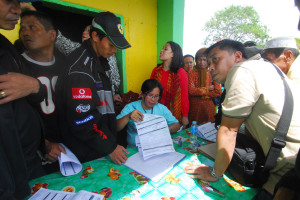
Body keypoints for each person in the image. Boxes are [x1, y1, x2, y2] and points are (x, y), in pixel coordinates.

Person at [184, 39, 300, 199]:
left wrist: (214, 173)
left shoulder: (241, 70)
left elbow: (229, 130)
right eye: (208, 62)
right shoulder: (269, 68)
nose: (210, 67)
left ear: (237, 56)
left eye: (215, 59)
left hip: (284, 173)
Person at [55, 11, 131, 165]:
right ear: (95, 36)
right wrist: (109, 146)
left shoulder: (98, 60)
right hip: (87, 151)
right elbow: (83, 119)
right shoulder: (80, 70)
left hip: (99, 145)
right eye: (110, 44)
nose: (114, 50)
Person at [0, 0, 45, 198]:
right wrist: (14, 190)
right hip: (11, 178)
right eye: (10, 1)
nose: (16, 10)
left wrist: (35, 86)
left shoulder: (5, 45)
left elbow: (32, 96)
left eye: (20, 2)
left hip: (30, 160)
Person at [19, 10, 66, 162]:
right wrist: (44, 144)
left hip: (68, 150)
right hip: (34, 154)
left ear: (52, 35)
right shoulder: (16, 66)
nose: (25, 33)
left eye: (32, 27)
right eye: (22, 28)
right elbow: (15, 117)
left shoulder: (65, 65)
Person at [55, 24, 123, 104]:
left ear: (95, 36)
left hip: (105, 102)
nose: (84, 32)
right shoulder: (78, 49)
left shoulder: (110, 57)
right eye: (84, 30)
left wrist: (113, 94)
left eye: (88, 31)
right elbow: (61, 42)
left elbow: (115, 80)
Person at [116, 79, 180, 147]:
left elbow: (177, 125)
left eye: (156, 96)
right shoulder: (130, 107)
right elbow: (116, 127)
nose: (153, 99)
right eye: (150, 95)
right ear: (142, 94)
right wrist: (128, 116)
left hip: (156, 146)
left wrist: (163, 129)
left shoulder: (162, 108)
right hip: (135, 148)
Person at [150, 41, 189, 128]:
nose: (161, 51)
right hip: (155, 111)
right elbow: (149, 90)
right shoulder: (156, 71)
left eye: (165, 49)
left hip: (173, 113)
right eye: (162, 48)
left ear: (173, 54)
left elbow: (184, 95)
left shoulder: (180, 72)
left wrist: (185, 115)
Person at [188, 48, 221, 125]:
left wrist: (199, 93)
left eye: (204, 60)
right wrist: (208, 89)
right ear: (196, 60)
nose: (202, 62)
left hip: (208, 108)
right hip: (194, 108)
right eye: (199, 59)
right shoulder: (191, 73)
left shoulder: (212, 72)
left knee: (209, 129)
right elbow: (191, 91)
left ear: (208, 60)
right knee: (193, 129)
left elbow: (218, 91)